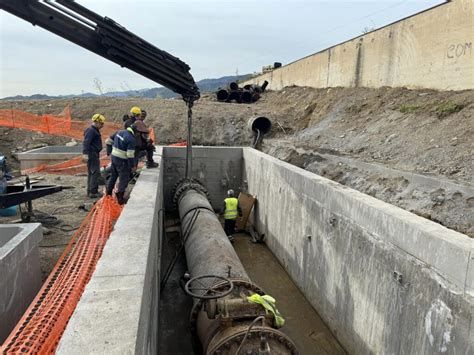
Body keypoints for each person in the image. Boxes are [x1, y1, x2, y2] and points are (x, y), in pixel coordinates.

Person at [105, 124, 137, 205]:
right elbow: (130, 155)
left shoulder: (120, 132)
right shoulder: (131, 139)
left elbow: (108, 141)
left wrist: (109, 151)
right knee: (124, 178)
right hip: (122, 161)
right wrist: (132, 166)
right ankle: (120, 197)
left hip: (114, 158)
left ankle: (108, 193)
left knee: (113, 175)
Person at [82, 113, 105, 198]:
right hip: (92, 154)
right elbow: (86, 142)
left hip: (94, 153)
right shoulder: (91, 131)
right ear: (97, 122)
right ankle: (93, 191)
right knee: (95, 173)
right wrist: (85, 154)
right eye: (102, 123)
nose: (102, 125)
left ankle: (90, 191)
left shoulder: (94, 130)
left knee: (92, 173)